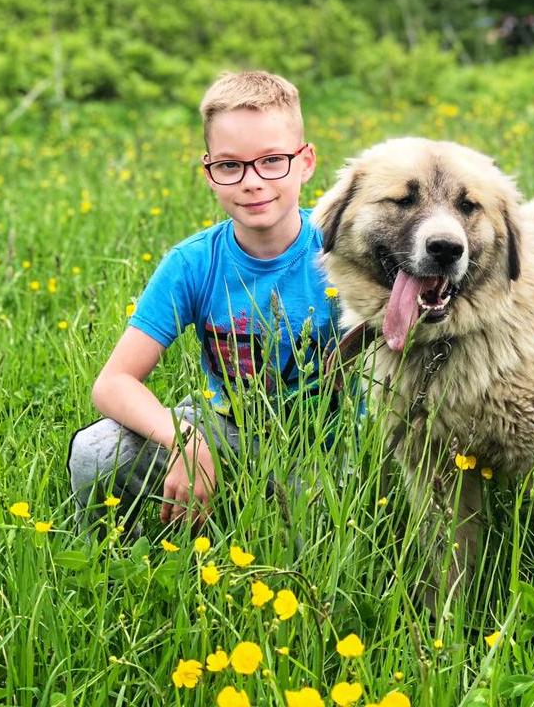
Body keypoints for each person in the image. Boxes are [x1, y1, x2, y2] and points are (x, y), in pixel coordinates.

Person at [68, 71, 339, 535]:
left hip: (325, 444)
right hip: (224, 429)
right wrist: (186, 441)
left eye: (272, 160)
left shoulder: (343, 251)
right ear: (209, 172)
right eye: (230, 166)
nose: (252, 182)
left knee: (306, 519)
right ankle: (121, 560)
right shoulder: (195, 262)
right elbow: (112, 383)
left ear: (306, 161)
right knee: (97, 451)